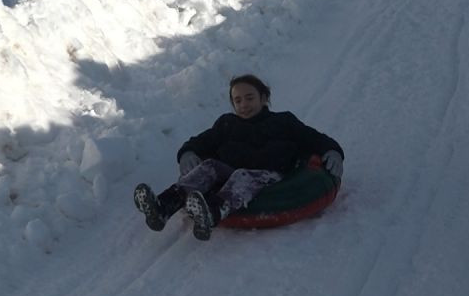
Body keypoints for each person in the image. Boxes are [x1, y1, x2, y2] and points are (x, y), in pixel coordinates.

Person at [133, 74, 344, 241]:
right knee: (209, 167)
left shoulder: (283, 121)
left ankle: (213, 213)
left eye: (249, 98)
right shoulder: (227, 124)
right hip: (230, 171)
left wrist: (333, 151)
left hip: (268, 175)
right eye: (238, 100)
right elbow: (200, 141)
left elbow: (314, 138)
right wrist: (187, 152)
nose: (243, 104)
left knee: (243, 175)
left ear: (264, 98)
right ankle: (163, 206)